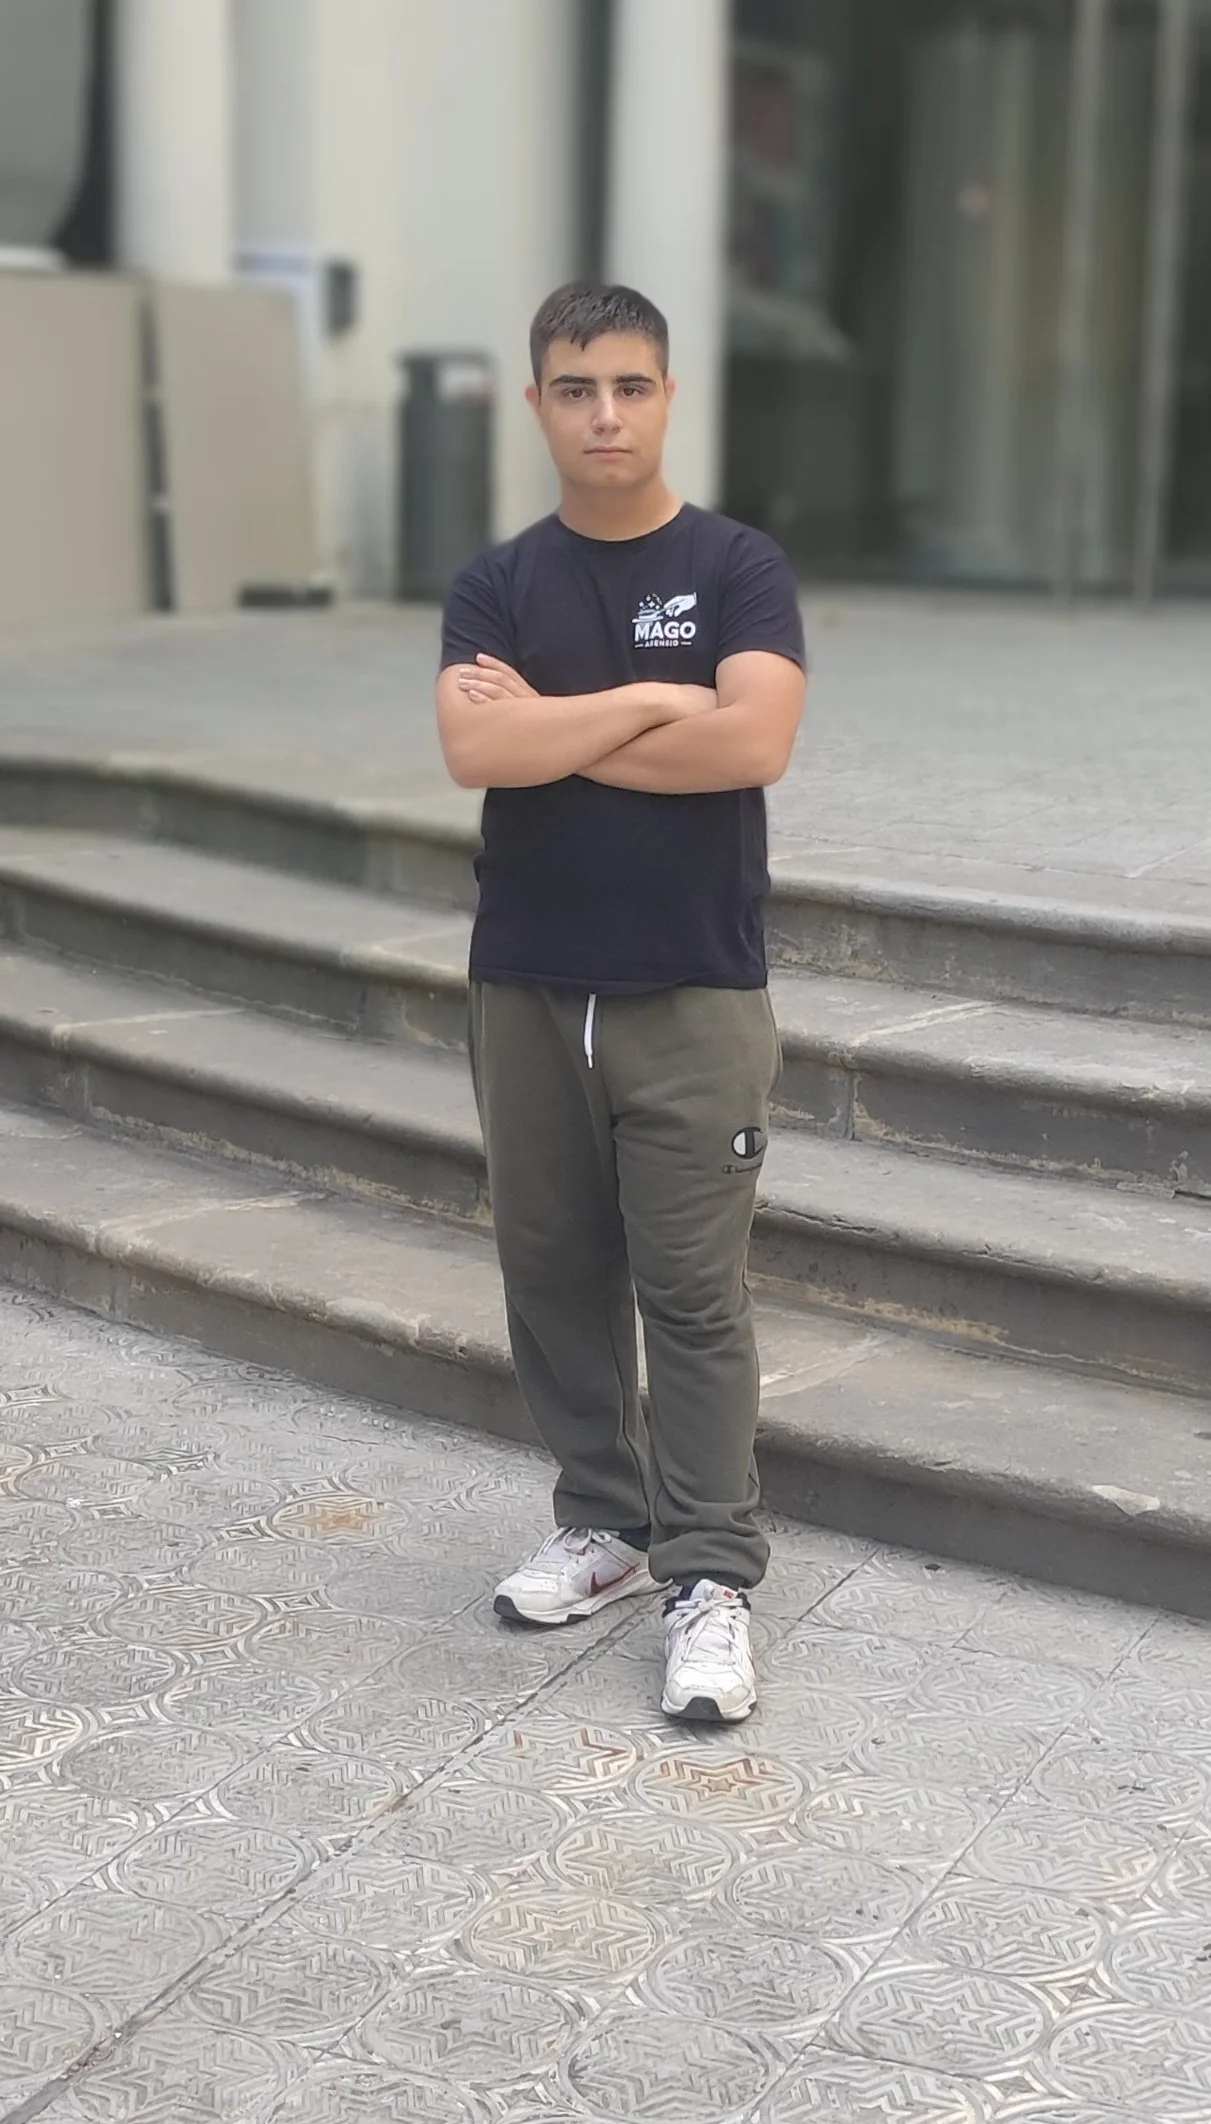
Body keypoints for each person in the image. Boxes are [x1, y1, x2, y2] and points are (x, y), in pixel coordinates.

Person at [436, 282, 806, 1722]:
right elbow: (474, 750)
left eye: (630, 387)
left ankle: (709, 1575)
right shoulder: (497, 580)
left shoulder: (735, 566)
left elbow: (755, 737)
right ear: (536, 404)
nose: (604, 414)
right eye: (576, 388)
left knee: (690, 1296)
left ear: (667, 397)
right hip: (526, 985)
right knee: (549, 1277)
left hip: (690, 990)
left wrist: (554, 727)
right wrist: (659, 701)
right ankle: (604, 1520)